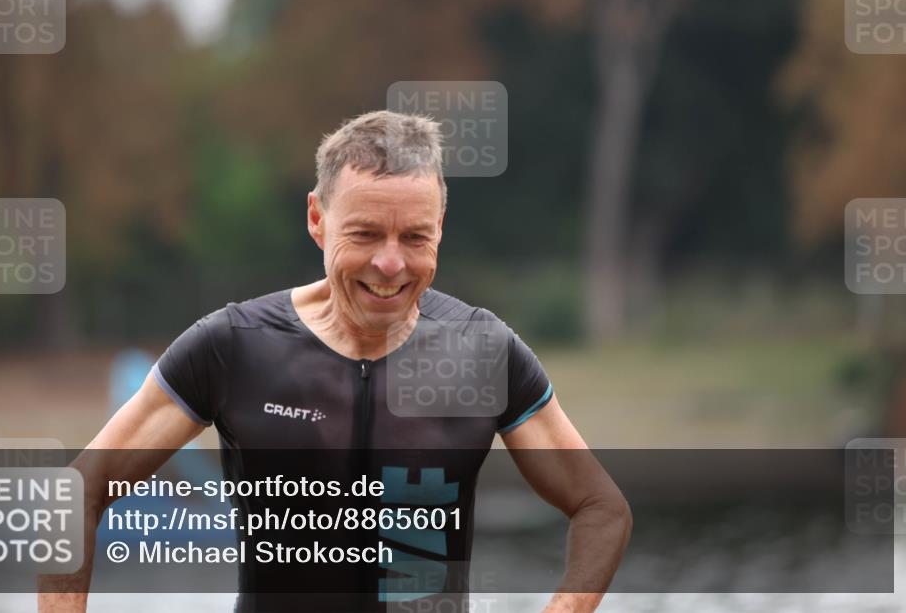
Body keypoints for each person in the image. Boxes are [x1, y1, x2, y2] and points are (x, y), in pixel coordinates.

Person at [38, 110, 632, 612]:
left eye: (416, 238)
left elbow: (601, 508)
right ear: (317, 220)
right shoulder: (234, 345)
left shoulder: (482, 350)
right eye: (367, 234)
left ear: (441, 229)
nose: (391, 264)